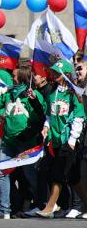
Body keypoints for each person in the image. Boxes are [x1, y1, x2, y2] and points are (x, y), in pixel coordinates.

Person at [0, 64, 46, 219]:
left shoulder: (31, 94)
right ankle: (4, 209)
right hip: (8, 141)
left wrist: (27, 135)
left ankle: (40, 203)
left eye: (14, 75)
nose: (12, 78)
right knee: (3, 172)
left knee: (30, 174)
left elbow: (40, 117)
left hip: (26, 142)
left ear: (22, 76)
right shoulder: (9, 93)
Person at [37, 60, 87, 218]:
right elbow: (49, 115)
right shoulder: (52, 92)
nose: (53, 75)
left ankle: (50, 206)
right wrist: (46, 127)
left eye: (57, 73)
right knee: (74, 178)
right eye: (53, 72)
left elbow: (79, 117)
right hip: (56, 139)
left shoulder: (74, 93)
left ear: (65, 74)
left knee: (58, 173)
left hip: (70, 140)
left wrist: (73, 140)